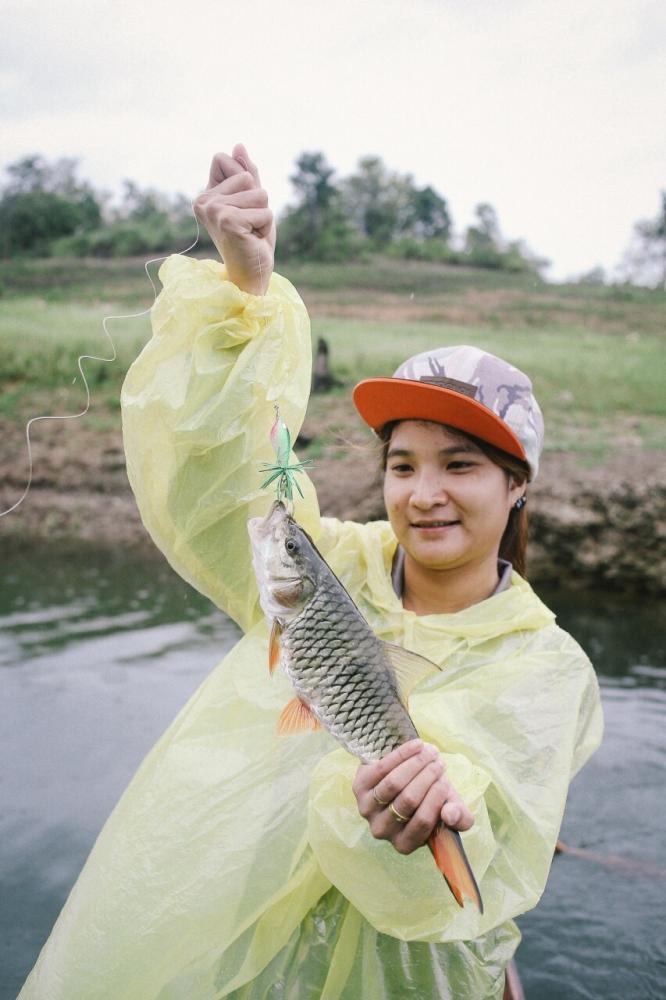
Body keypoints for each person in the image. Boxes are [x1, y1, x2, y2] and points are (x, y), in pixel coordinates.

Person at [19, 146, 603, 1000]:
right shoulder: (333, 567)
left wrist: (422, 817)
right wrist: (245, 290)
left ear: (519, 486)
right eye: (402, 466)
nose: (425, 494)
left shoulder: (549, 669)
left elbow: (490, 853)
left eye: (462, 466)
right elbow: (216, 487)